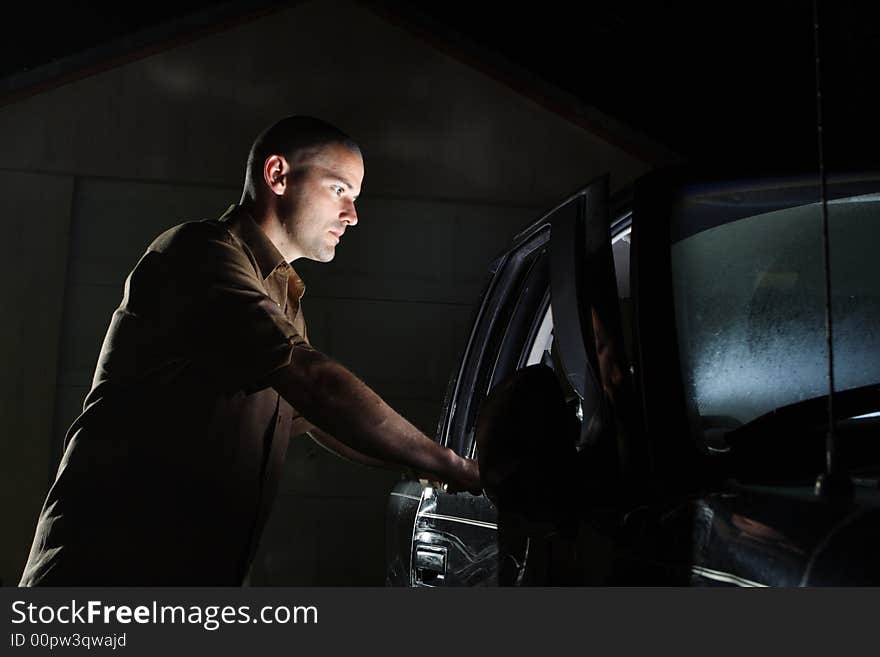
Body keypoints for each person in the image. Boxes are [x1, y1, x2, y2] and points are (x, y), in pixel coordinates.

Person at [19, 116, 481, 586]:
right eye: (339, 190)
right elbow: (316, 384)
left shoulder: (281, 296)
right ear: (277, 175)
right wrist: (453, 465)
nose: (352, 216)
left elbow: (318, 415)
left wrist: (421, 459)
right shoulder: (199, 254)